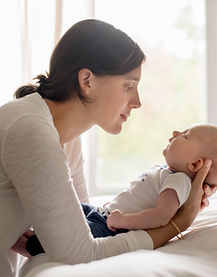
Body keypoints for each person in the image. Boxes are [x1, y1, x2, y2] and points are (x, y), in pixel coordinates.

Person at [0, 18, 213, 277]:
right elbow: (80, 252)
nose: (137, 102)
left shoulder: (62, 138)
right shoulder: (32, 130)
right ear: (87, 80)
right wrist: (178, 224)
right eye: (129, 86)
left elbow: (80, 225)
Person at [25, 123, 217, 256]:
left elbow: (161, 216)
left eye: (185, 136)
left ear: (195, 164)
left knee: (61, 239)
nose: (175, 132)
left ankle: (31, 244)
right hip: (102, 214)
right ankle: (29, 226)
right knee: (62, 204)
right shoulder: (168, 173)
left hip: (112, 228)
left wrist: (123, 220)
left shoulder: (179, 181)